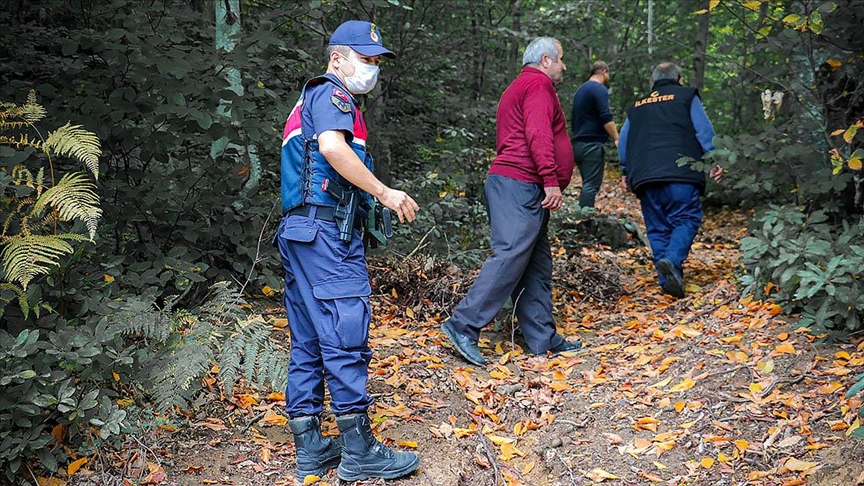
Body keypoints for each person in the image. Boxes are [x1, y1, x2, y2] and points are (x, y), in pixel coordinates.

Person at [277, 20, 420, 483]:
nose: (372, 68)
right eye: (365, 58)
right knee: (345, 330)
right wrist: (384, 192)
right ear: (336, 57)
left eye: (376, 60)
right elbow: (333, 149)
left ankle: (311, 447)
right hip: (323, 234)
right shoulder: (331, 93)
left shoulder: (310, 98)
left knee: (308, 340)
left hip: (300, 229)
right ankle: (359, 451)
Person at [440, 37, 582, 367]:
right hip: (519, 183)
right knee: (510, 253)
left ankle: (541, 338)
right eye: (561, 59)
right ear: (546, 60)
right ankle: (463, 325)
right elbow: (537, 133)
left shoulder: (523, 85)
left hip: (522, 185)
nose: (564, 66)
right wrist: (550, 178)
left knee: (535, 263)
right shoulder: (536, 85)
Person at [618, 62, 723, 298]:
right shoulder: (686, 96)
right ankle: (672, 260)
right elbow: (703, 130)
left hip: (644, 175)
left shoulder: (637, 105)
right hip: (680, 172)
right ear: (680, 80)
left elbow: (624, 140)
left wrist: (625, 170)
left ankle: (667, 281)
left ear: (652, 83)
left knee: (657, 228)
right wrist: (715, 158)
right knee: (686, 217)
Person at [571, 61, 620, 208]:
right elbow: (606, 117)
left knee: (587, 184)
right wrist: (617, 138)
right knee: (591, 186)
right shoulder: (599, 89)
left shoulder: (580, 90)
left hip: (578, 144)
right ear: (604, 72)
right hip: (591, 146)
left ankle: (581, 216)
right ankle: (583, 221)